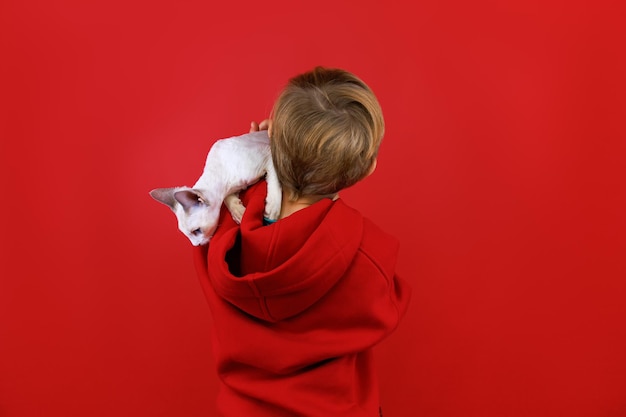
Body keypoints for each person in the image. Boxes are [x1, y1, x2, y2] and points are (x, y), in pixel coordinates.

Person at [193, 66, 411, 416]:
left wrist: (258, 159)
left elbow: (211, 202)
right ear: (367, 168)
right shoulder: (366, 251)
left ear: (272, 138)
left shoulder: (221, 232)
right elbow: (388, 306)